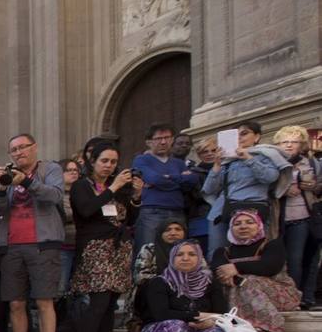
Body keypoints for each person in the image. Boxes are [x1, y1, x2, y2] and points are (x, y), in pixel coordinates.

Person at [0, 132, 66, 332]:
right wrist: (2, 188)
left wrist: (25, 181)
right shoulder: (10, 175)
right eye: (14, 150)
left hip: (43, 243)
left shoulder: (50, 169)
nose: (18, 152)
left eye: (23, 147)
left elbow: (54, 196)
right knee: (15, 302)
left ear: (35, 148)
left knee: (44, 300)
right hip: (13, 244)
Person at [69, 142, 141, 332]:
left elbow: (129, 219)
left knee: (110, 305)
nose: (109, 166)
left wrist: (136, 196)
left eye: (113, 162)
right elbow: (87, 210)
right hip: (95, 248)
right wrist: (113, 188)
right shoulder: (82, 186)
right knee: (98, 302)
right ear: (93, 161)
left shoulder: (118, 187)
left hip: (118, 248)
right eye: (104, 161)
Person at [124, 241, 228, 332]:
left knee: (218, 331)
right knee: (175, 325)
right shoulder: (160, 282)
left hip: (195, 331)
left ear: (199, 258)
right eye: (180, 254)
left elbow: (222, 313)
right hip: (159, 331)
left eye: (192, 254)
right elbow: (161, 314)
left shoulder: (210, 282)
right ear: (172, 258)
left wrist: (210, 321)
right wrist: (195, 316)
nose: (185, 258)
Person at [210, 210, 301, 332]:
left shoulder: (272, 245)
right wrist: (236, 277)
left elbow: (269, 267)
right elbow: (218, 271)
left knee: (248, 281)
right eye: (237, 224)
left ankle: (268, 324)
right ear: (231, 228)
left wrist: (236, 268)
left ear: (259, 225)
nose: (243, 226)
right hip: (237, 296)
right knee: (230, 284)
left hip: (280, 296)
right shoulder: (223, 251)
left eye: (249, 222)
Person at [202, 121, 282, 251]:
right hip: (223, 212)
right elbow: (209, 189)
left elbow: (270, 177)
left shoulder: (266, 156)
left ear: (256, 137)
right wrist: (217, 165)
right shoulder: (228, 161)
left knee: (252, 253)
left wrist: (248, 158)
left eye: (244, 133)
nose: (239, 138)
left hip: (252, 211)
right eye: (236, 135)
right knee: (217, 252)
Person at [274, 125, 320, 307]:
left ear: (302, 145)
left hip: (304, 216)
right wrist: (284, 190)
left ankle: (301, 298)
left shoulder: (311, 162)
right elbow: (266, 186)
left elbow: (319, 186)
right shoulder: (272, 162)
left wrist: (314, 187)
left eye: (294, 142)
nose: (289, 145)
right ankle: (288, 298)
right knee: (284, 261)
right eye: (285, 142)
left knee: (299, 259)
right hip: (279, 218)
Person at [132, 123, 196, 251]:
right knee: (148, 250)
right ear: (149, 142)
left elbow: (191, 181)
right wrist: (178, 179)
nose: (163, 142)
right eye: (158, 139)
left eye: (167, 138)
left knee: (178, 252)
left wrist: (167, 177)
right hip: (152, 212)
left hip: (177, 211)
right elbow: (153, 178)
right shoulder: (141, 160)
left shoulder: (178, 163)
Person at [59, 158, 81, 293]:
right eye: (68, 170)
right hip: (63, 246)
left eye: (76, 170)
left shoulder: (83, 192)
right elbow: (63, 215)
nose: (73, 173)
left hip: (81, 245)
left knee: (79, 290)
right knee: (61, 287)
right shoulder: (57, 194)